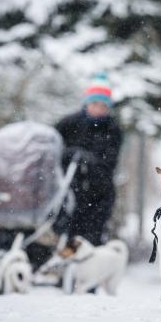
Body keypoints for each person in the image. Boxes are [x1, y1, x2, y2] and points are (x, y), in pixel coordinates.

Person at [55, 72, 122, 246]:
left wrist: (89, 161)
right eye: (94, 104)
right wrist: (70, 155)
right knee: (67, 235)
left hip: (99, 194)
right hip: (69, 190)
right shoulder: (68, 124)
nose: (98, 109)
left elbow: (109, 163)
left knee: (92, 240)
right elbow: (53, 147)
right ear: (87, 103)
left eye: (103, 105)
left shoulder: (113, 130)